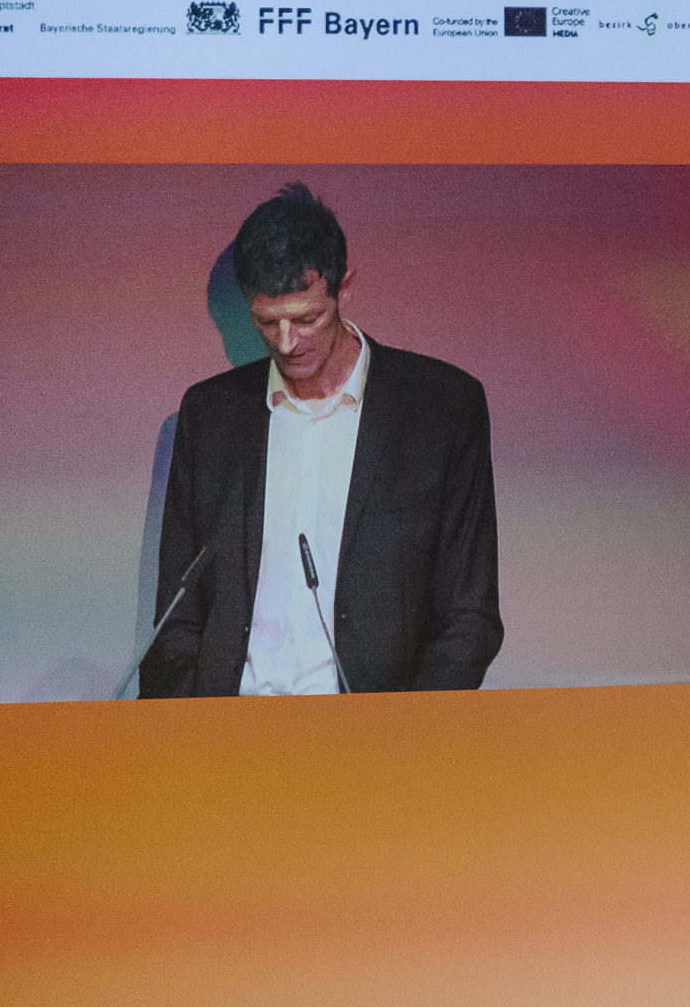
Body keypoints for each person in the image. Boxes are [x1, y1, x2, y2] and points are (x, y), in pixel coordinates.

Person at [141, 183, 501, 697]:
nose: (287, 343)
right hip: (227, 727)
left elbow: (470, 615)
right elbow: (176, 617)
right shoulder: (210, 416)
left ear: (344, 288)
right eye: (267, 322)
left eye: (307, 318)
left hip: (374, 732)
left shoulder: (441, 409)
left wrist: (412, 731)